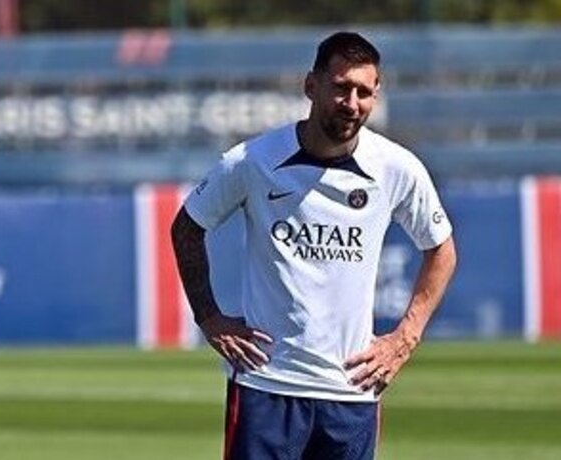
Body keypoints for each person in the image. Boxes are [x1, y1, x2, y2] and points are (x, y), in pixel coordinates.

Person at [170, 31, 457, 460]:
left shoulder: (397, 168)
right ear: (311, 86)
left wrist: (405, 337)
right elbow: (187, 228)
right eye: (341, 87)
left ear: (376, 95)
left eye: (364, 92)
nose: (352, 102)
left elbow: (441, 250)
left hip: (352, 392)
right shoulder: (252, 161)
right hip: (266, 386)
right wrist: (208, 318)